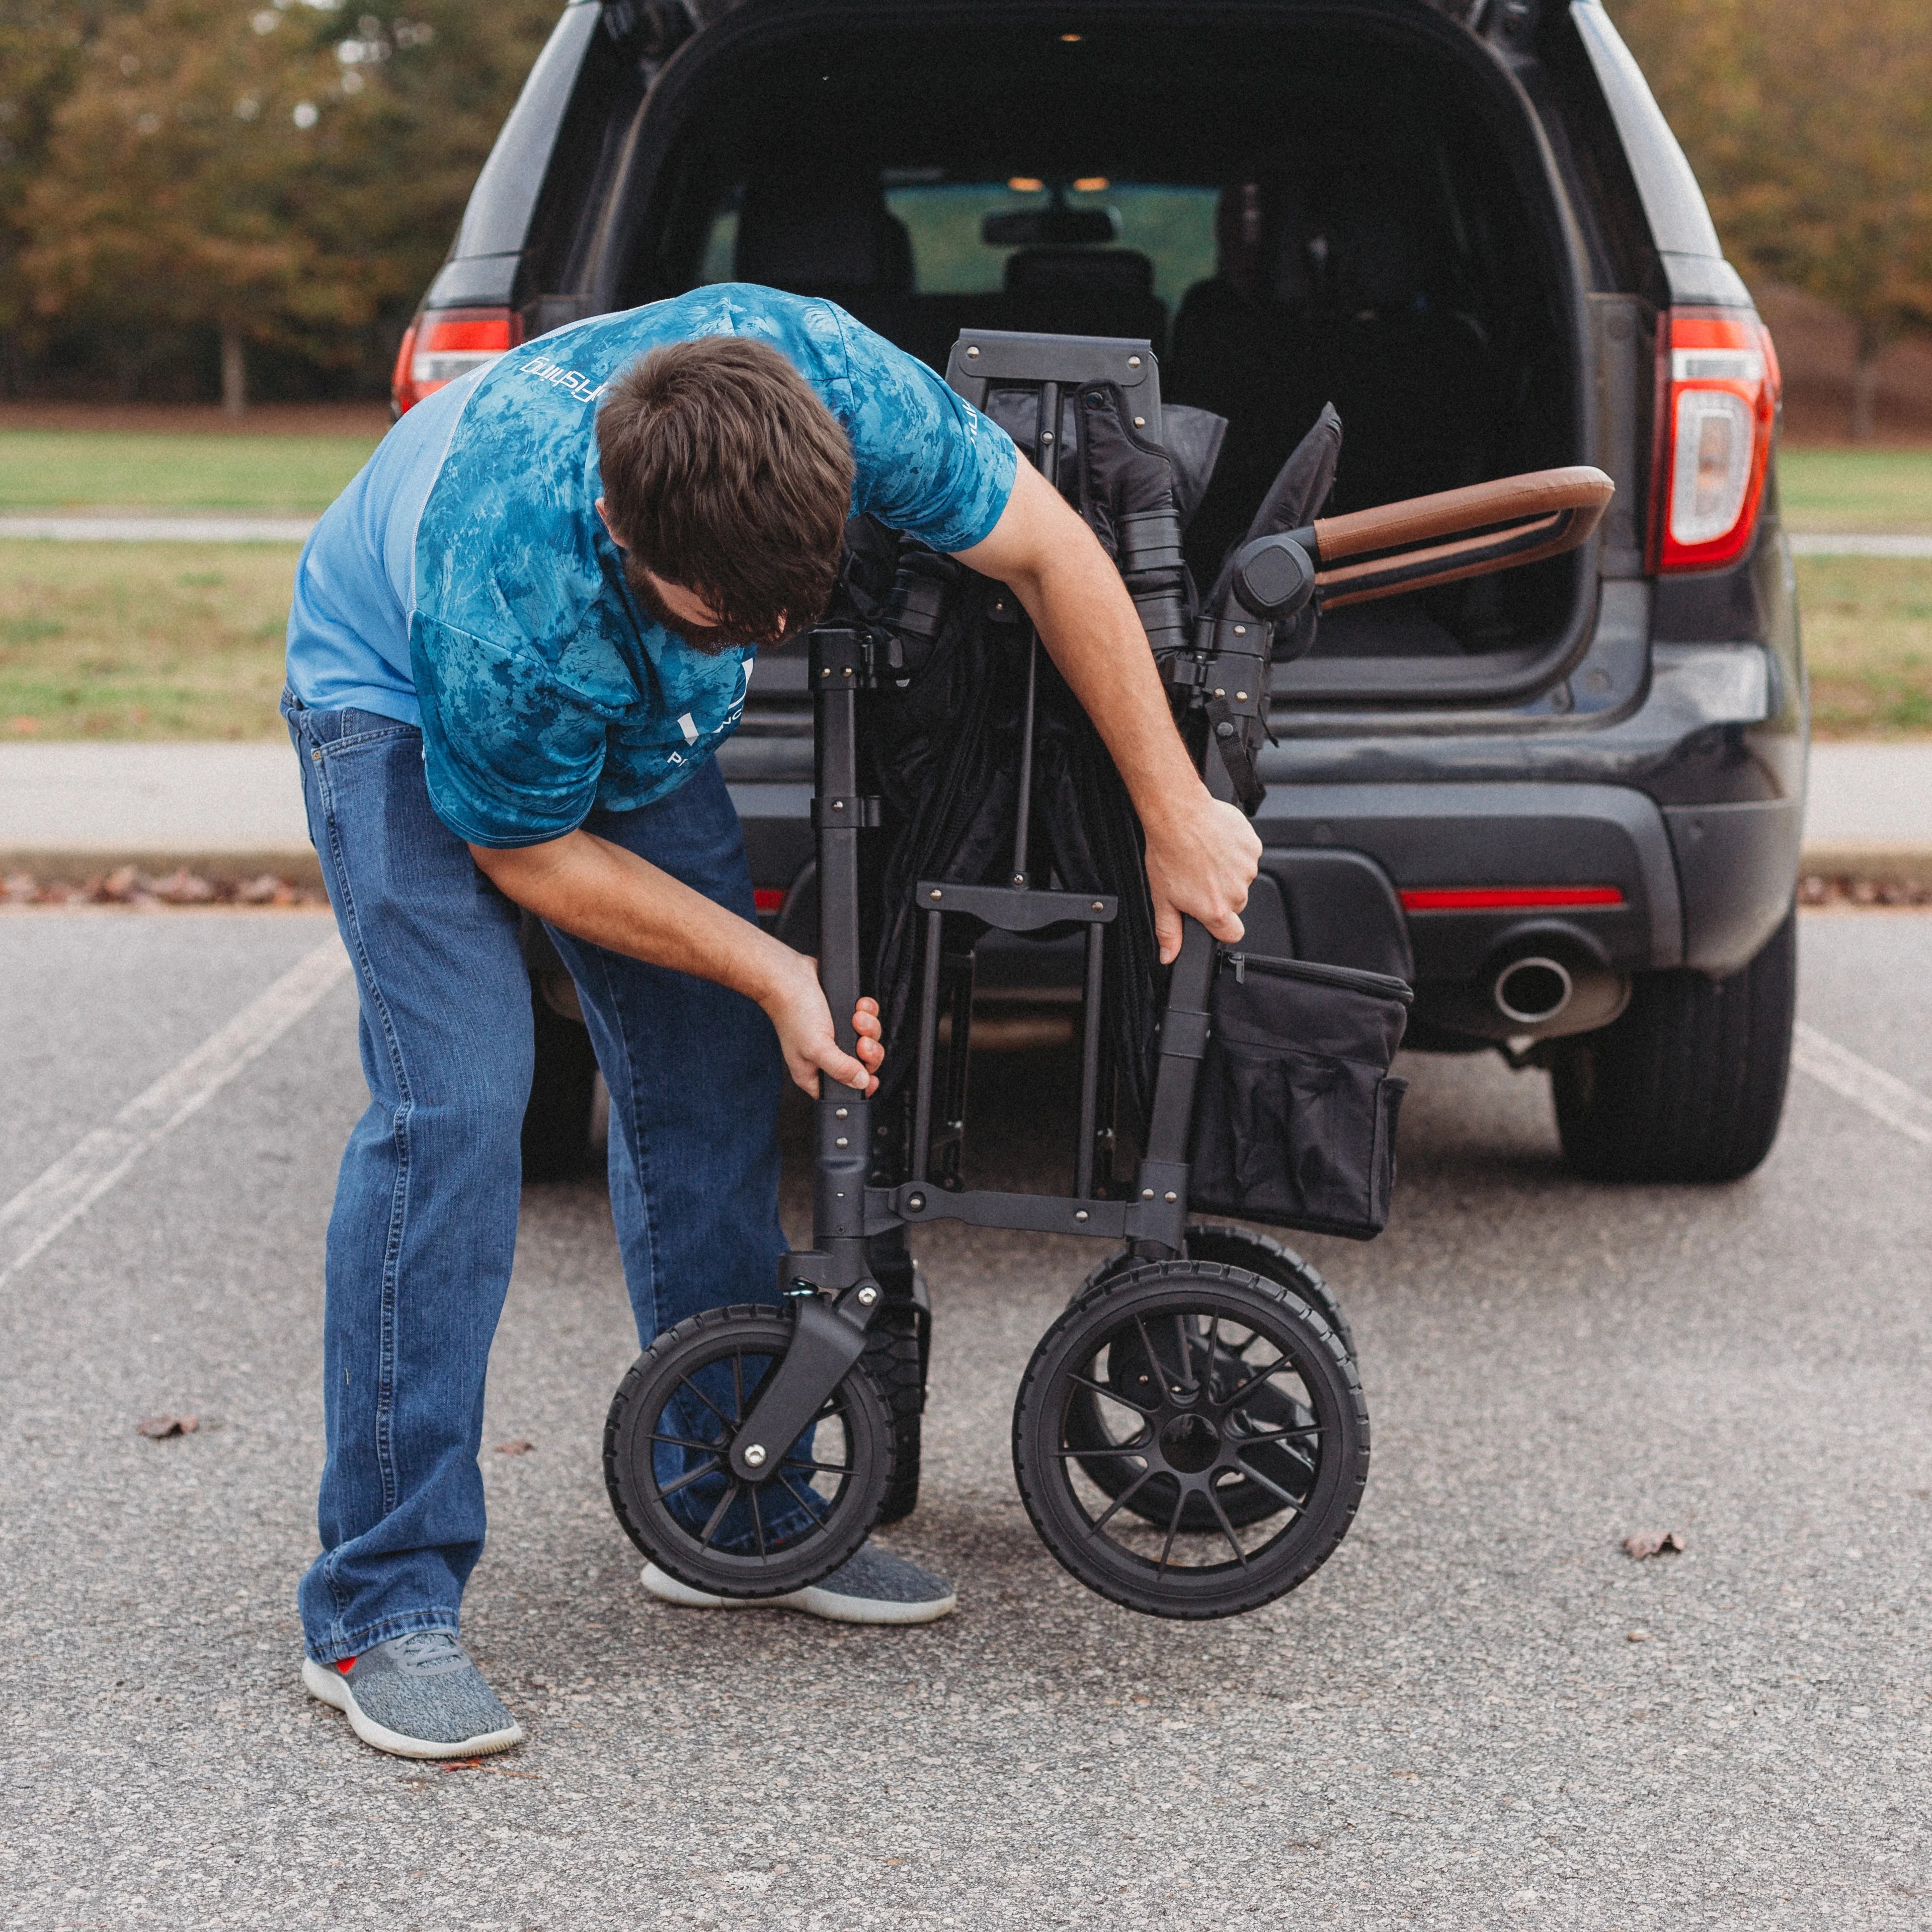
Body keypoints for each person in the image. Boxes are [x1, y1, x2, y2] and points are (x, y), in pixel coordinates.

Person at [282, 285, 1259, 1761]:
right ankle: (380, 1598)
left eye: (790, 610)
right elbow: (528, 854)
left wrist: (1173, 807)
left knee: (708, 1077)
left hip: (623, 709)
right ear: (631, 539)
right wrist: (769, 963)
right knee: (461, 1105)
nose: (775, 638)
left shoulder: (833, 387)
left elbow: (1056, 552)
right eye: (740, 622)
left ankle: (722, 1505)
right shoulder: (519, 590)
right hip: (406, 702)